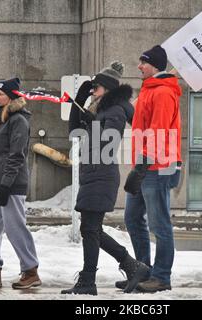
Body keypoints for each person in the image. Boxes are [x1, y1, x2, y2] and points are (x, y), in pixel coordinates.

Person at [61, 61, 150, 295]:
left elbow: (108, 143)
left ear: (107, 89)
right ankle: (130, 267)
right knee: (91, 229)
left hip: (102, 174)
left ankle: (90, 280)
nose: (93, 91)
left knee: (90, 228)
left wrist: (94, 126)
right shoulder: (99, 109)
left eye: (95, 88)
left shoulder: (116, 109)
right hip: (93, 173)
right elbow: (73, 132)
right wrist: (79, 100)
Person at [122, 45, 182, 293]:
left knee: (159, 225)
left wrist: (142, 165)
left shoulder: (163, 93)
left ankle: (161, 277)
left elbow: (158, 131)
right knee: (132, 217)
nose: (139, 66)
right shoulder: (149, 90)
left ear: (155, 65)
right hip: (146, 165)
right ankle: (143, 271)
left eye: (143, 62)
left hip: (158, 167)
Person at [0, 78, 41, 290]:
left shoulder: (18, 120)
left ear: (12, 96)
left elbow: (16, 156)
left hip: (11, 185)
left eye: (1, 94)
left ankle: (30, 270)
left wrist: (5, 185)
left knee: (15, 229)